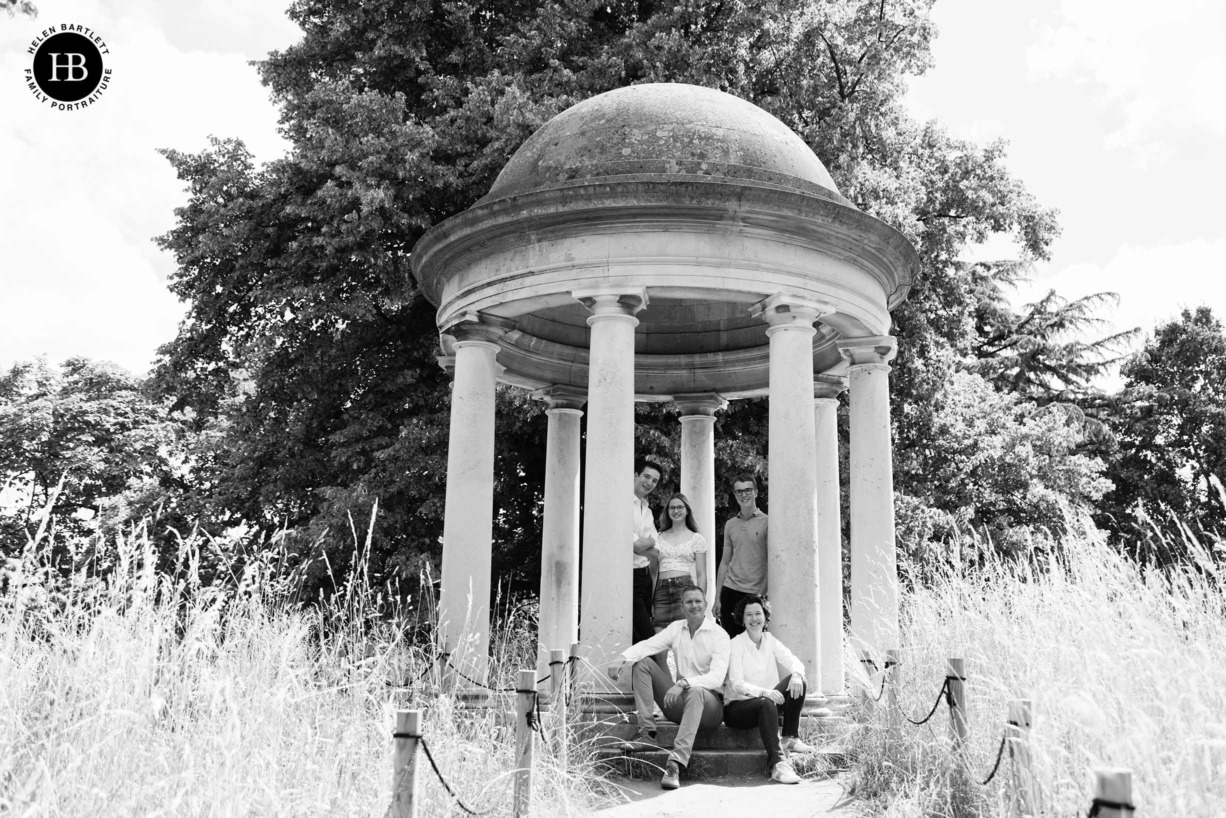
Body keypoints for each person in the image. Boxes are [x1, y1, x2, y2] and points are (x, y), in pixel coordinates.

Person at [609, 584, 730, 790]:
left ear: (706, 605)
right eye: (689, 602)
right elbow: (649, 645)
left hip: (710, 709)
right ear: (682, 606)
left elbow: (716, 678)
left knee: (696, 690)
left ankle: (675, 763)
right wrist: (623, 658)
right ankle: (648, 734)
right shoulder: (676, 629)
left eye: (698, 601)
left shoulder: (719, 635)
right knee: (643, 664)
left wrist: (683, 683)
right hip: (681, 704)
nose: (694, 605)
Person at [723, 594, 814, 784]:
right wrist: (764, 692)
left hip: (768, 705)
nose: (754, 619)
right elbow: (737, 683)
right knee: (765, 703)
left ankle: (790, 737)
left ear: (765, 616)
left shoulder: (770, 639)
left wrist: (797, 674)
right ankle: (778, 765)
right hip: (738, 709)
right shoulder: (735, 644)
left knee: (799, 679)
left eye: (758, 613)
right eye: (749, 615)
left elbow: (793, 660)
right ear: (742, 618)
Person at [713, 473, 768, 638]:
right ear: (735, 495)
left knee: (754, 644)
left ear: (756, 492)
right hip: (729, 591)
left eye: (748, 490)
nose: (744, 494)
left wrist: (760, 596)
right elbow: (724, 562)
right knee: (730, 645)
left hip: (753, 593)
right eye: (739, 491)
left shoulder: (767, 522)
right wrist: (717, 597)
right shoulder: (731, 524)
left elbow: (772, 565)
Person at [651, 493, 708, 640]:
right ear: (668, 511)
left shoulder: (696, 538)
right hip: (661, 591)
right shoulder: (658, 536)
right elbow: (653, 572)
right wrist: (650, 599)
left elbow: (701, 574)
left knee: (685, 640)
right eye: (672, 508)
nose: (676, 511)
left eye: (680, 507)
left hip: (684, 589)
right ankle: (661, 665)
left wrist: (700, 600)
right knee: (659, 640)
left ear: (687, 510)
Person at [631, 459, 664, 644]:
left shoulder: (648, 511)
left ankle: (640, 674)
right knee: (648, 638)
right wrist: (648, 542)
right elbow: (635, 546)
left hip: (645, 578)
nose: (650, 483)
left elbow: (655, 552)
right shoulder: (622, 505)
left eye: (654, 480)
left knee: (638, 639)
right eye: (646, 476)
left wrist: (647, 543)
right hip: (628, 579)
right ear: (635, 475)